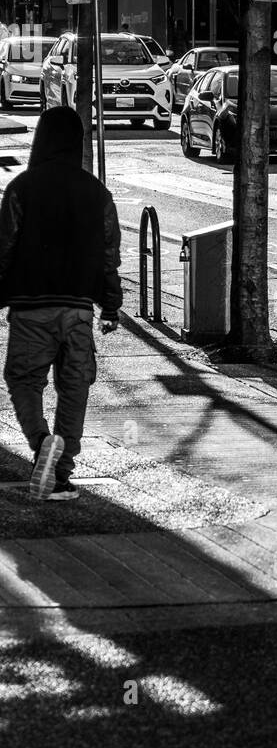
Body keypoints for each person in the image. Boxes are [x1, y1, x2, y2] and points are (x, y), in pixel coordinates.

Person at [0, 107, 122, 501]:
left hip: (31, 306)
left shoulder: (21, 188)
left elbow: (4, 249)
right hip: (78, 309)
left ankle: (41, 445)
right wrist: (112, 305)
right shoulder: (97, 193)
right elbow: (109, 254)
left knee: (23, 380)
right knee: (74, 388)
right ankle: (63, 470)